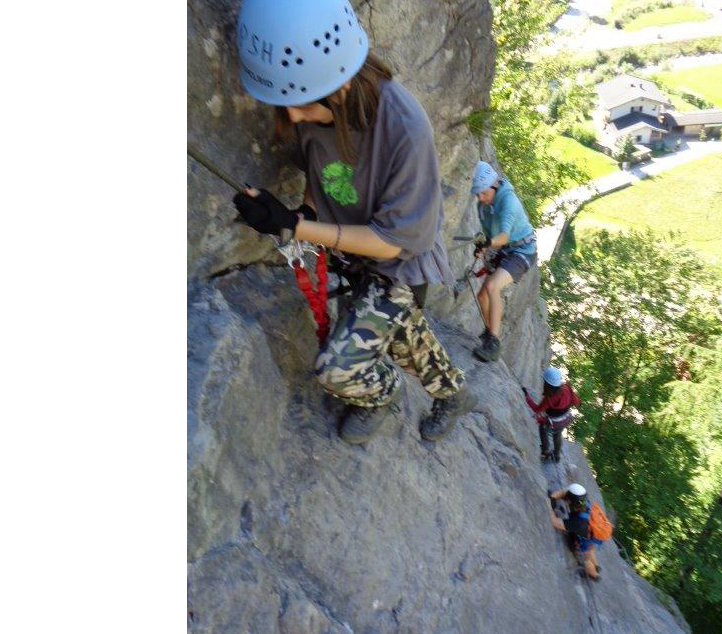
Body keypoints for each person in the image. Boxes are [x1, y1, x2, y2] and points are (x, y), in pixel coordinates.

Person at [230, 0, 473, 444]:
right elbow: (318, 170)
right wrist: (304, 211)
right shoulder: (312, 96)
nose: (292, 118)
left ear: (338, 83)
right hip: (352, 254)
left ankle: (381, 393)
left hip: (396, 264)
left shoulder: (404, 130)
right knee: (400, 337)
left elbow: (393, 242)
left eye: (299, 105)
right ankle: (453, 391)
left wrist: (293, 226)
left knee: (338, 368)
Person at [469, 161, 538, 361]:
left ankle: (494, 342)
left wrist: (489, 243)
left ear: (493, 185)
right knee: (482, 296)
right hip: (507, 251)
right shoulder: (483, 204)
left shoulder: (509, 201)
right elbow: (491, 235)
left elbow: (504, 236)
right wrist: (483, 247)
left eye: (483, 192)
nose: (480, 198)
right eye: (477, 194)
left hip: (523, 251)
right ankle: (490, 331)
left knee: (492, 286)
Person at [523, 367, 580, 462]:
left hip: (555, 422)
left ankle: (545, 452)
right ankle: (557, 455)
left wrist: (527, 396)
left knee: (542, 428)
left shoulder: (549, 398)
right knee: (557, 434)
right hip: (566, 419)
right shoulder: (567, 388)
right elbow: (576, 401)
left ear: (547, 384)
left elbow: (537, 409)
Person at [549, 484, 601, 581]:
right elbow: (565, 492)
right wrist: (553, 497)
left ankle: (594, 575)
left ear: (570, 500)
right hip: (593, 535)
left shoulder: (578, 522)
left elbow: (555, 523)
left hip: (585, 538)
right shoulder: (584, 501)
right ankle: (597, 565)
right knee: (591, 548)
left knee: (586, 558)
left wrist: (548, 503)